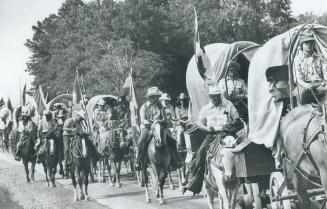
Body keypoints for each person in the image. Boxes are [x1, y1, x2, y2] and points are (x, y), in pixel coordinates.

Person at [183, 82, 241, 195]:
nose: (215, 98)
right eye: (213, 96)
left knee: (240, 150)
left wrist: (230, 124)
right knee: (200, 153)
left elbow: (237, 118)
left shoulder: (228, 105)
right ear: (209, 97)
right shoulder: (206, 108)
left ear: (220, 95)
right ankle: (197, 180)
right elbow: (199, 123)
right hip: (212, 134)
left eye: (217, 96)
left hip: (228, 134)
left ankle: (242, 177)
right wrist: (207, 128)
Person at [134, 87, 183, 171]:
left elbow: (164, 117)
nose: (154, 98)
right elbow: (143, 120)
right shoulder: (144, 107)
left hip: (160, 126)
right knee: (141, 141)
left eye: (155, 96)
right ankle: (139, 161)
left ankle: (176, 160)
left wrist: (162, 121)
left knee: (172, 140)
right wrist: (150, 123)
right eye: (152, 96)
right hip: (148, 127)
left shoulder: (161, 106)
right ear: (148, 97)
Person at [293, 31, 327, 104]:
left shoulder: (320, 57)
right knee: (301, 93)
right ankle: (302, 112)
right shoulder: (297, 59)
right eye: (306, 43)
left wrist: (325, 81)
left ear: (314, 44)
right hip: (305, 84)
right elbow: (298, 78)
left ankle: (323, 111)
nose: (309, 45)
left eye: (311, 43)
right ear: (301, 45)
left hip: (320, 83)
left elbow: (325, 72)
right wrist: (305, 84)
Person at [62, 110, 87, 178]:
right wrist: (71, 130)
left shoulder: (79, 123)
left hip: (75, 136)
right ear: (78, 116)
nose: (81, 120)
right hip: (67, 135)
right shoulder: (69, 120)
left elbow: (80, 130)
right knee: (67, 149)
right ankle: (66, 163)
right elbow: (64, 128)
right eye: (81, 118)